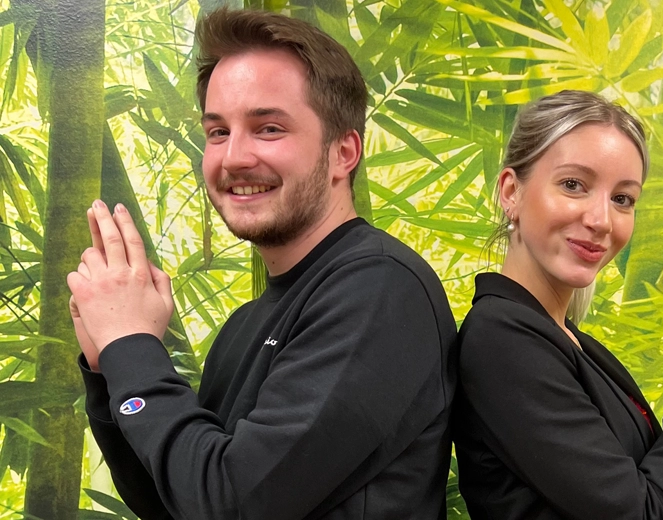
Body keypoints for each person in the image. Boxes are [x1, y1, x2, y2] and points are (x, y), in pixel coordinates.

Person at [67, 8, 456, 520]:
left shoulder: (381, 290)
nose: (233, 158)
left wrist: (133, 347)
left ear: (344, 153)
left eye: (268, 128)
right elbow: (173, 502)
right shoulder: (244, 325)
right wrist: (110, 367)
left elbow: (232, 504)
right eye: (218, 132)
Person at [452, 90, 663, 520]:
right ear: (511, 191)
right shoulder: (503, 338)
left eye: (622, 199)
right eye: (573, 185)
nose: (601, 220)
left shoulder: (568, 340)